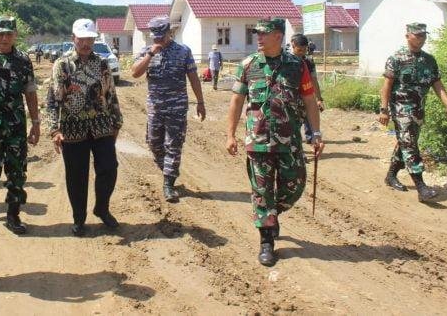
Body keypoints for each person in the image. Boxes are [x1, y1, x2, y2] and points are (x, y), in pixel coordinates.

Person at [226, 18, 324, 267]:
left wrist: (317, 133)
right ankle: (266, 241)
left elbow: (310, 101)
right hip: (257, 140)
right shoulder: (249, 65)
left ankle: (272, 213)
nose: (258, 37)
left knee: (295, 185)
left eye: (263, 34)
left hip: (289, 140)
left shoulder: (296, 65)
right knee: (262, 191)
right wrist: (230, 135)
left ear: (278, 36)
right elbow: (236, 102)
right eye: (256, 33)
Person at [47, 18, 123, 237]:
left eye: (90, 39)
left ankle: (102, 208)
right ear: (74, 39)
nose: (86, 44)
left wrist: (117, 121)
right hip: (72, 129)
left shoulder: (102, 64)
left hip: (102, 125)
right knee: (76, 176)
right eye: (82, 39)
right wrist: (54, 129)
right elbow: (53, 99)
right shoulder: (63, 65)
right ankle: (79, 219)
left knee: (109, 168)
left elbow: (111, 94)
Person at [130, 15, 206, 203]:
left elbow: (193, 77)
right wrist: (150, 54)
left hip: (177, 106)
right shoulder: (146, 51)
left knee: (173, 145)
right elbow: (134, 73)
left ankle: (168, 184)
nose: (158, 40)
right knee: (154, 143)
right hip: (155, 107)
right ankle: (168, 170)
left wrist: (200, 102)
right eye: (155, 37)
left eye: (161, 36)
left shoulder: (183, 51)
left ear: (169, 33)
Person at [379, 23, 447, 202]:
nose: (422, 39)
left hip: (418, 110)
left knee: (406, 142)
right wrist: (384, 110)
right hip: (400, 110)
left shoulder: (429, 60)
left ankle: (390, 175)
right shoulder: (396, 58)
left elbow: (437, 84)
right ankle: (421, 186)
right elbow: (387, 87)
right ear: (408, 36)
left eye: (424, 35)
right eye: (418, 35)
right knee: (410, 145)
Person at [0, 16, 40, 235]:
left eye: (9, 34)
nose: (4, 38)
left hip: (15, 124)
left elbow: (30, 92)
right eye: (0, 33)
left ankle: (13, 215)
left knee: (16, 172)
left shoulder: (23, 60)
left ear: (15, 35)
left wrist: (35, 122)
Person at [290, 34, 324, 144]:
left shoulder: (308, 62)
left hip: (306, 96)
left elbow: (314, 80)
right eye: (299, 50)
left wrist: (319, 99)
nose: (302, 53)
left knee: (309, 118)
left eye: (304, 50)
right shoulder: (285, 61)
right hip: (289, 99)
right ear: (293, 45)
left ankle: (311, 138)